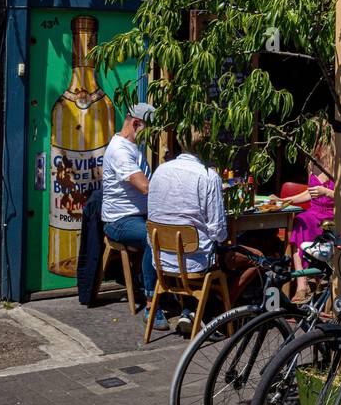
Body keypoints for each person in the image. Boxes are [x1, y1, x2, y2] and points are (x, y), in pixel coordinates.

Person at [147, 125, 265, 325]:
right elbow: (218, 233)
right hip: (195, 262)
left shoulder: (160, 171)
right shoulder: (208, 177)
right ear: (207, 147)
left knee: (218, 252)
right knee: (259, 258)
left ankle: (193, 311)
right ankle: (217, 312)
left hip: (162, 259)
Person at [101, 102, 163, 326]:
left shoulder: (132, 147)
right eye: (150, 129)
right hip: (119, 220)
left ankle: (170, 292)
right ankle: (151, 304)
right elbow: (145, 187)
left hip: (141, 215)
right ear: (136, 124)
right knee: (152, 238)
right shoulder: (119, 150)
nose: (153, 136)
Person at [280, 136, 341, 303]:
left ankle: (317, 278)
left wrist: (328, 192)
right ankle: (302, 284)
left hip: (337, 218)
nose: (309, 148)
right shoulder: (312, 163)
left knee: (304, 223)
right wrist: (286, 201)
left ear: (324, 144)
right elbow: (310, 192)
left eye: (314, 144)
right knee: (299, 221)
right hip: (315, 214)